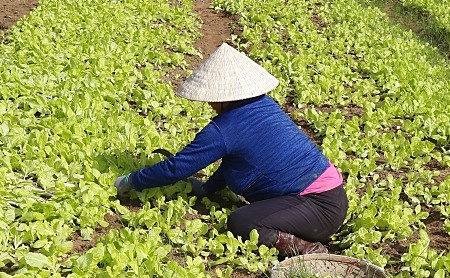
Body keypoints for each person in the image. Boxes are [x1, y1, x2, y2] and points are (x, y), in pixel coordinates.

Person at [114, 43, 347, 257]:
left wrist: (131, 181)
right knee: (247, 212)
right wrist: (207, 189)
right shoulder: (263, 104)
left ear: (221, 97)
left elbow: (177, 167)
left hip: (319, 210)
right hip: (332, 198)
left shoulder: (223, 130)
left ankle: (310, 250)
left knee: (242, 223)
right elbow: (235, 162)